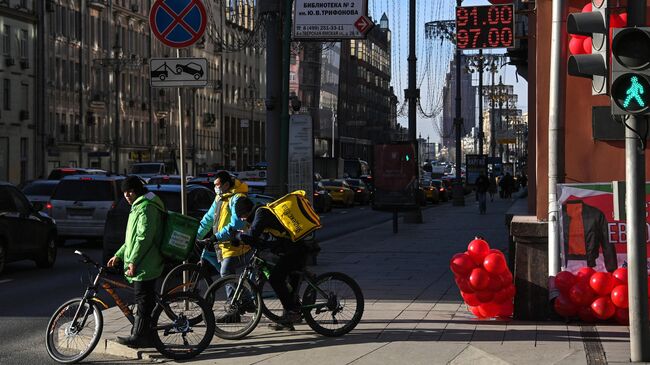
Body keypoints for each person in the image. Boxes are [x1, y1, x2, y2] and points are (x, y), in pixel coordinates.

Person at [232, 196, 310, 331]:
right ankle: (289, 318)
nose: (242, 219)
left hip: (295, 250)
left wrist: (238, 237)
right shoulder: (260, 213)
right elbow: (263, 238)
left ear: (246, 211)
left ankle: (292, 312)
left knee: (276, 278)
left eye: (242, 216)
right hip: (293, 249)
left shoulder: (261, 213)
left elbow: (253, 234)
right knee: (288, 281)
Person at [107, 176, 165, 348]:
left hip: (147, 261)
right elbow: (131, 239)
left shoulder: (146, 208)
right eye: (124, 192)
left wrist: (132, 260)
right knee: (145, 301)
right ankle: (146, 335)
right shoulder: (138, 206)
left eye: (130, 191)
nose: (127, 195)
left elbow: (144, 238)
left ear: (138, 190)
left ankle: (139, 337)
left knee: (143, 300)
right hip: (144, 259)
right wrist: (119, 254)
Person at [196, 170, 251, 321]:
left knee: (225, 273)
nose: (216, 187)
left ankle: (242, 304)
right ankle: (239, 306)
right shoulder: (219, 197)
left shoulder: (237, 198)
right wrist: (197, 235)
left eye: (218, 185)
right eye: (214, 185)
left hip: (236, 244)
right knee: (226, 275)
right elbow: (208, 218)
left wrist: (215, 237)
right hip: (223, 244)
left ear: (226, 184)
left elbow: (236, 224)